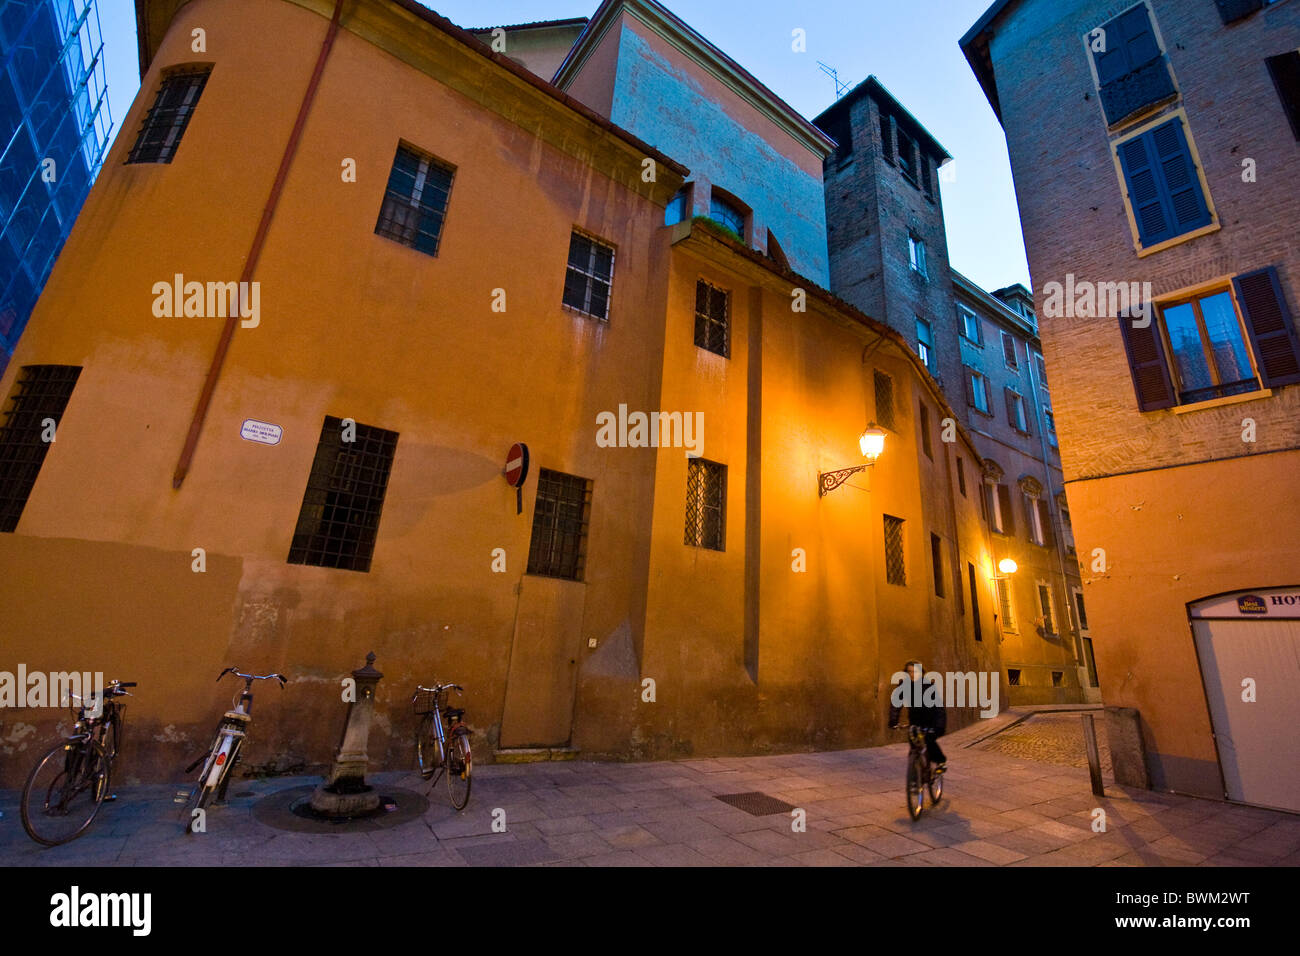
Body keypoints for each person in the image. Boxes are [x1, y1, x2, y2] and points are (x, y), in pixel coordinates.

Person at [888, 660, 947, 773]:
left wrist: (939, 725)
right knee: (914, 743)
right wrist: (893, 721)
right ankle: (916, 773)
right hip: (915, 720)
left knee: (929, 740)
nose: (912, 674)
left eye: (914, 671)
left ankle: (940, 762)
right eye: (909, 672)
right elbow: (896, 703)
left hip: (930, 720)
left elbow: (939, 708)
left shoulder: (928, 687)